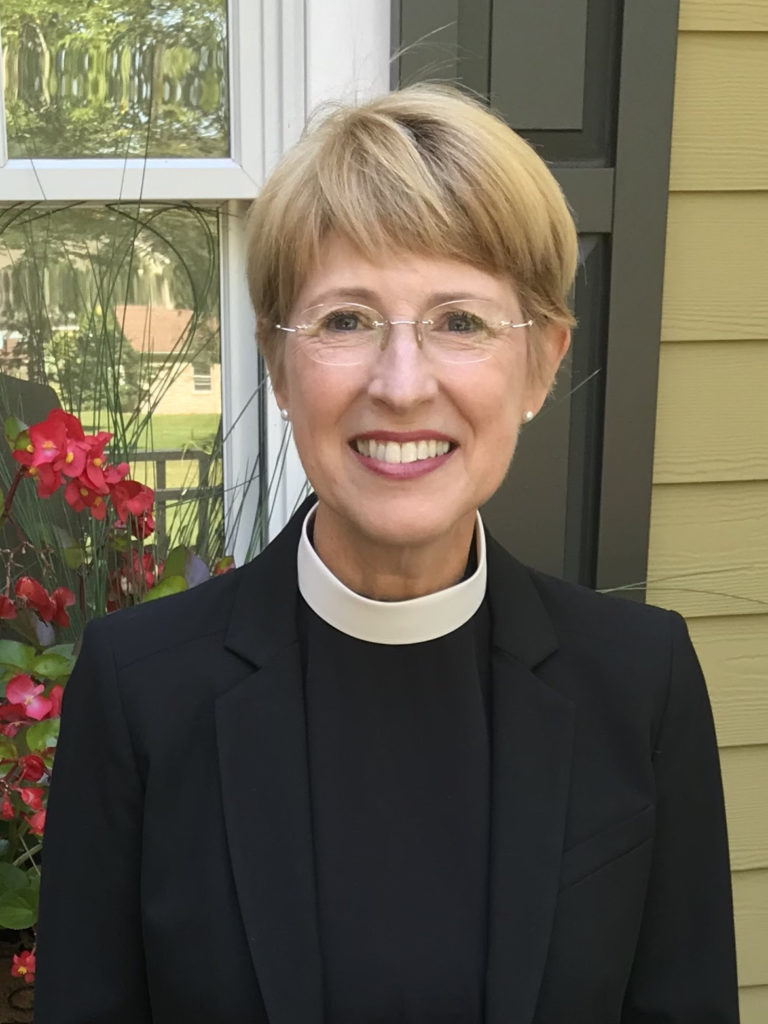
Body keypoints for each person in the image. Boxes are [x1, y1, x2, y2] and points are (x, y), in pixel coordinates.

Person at [35, 86, 739, 1024]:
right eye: (345, 320)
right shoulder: (141, 691)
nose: (401, 386)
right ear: (278, 365)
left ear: (541, 363)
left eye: (460, 321)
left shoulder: (640, 680)